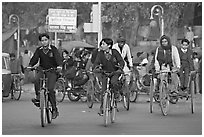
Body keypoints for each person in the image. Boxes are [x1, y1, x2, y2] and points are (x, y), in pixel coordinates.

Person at [28, 33, 63, 119]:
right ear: (40, 42)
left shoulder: (53, 49)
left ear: (48, 40)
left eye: (45, 40)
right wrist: (30, 65)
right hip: (42, 69)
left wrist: (59, 66)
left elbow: (58, 58)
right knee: (36, 80)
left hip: (52, 71)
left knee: (50, 89)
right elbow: (34, 59)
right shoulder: (39, 50)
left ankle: (54, 109)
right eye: (42, 40)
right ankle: (38, 98)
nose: (44, 42)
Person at [93, 38, 125, 115]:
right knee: (103, 91)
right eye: (101, 44)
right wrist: (97, 67)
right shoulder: (100, 53)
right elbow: (96, 62)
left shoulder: (115, 52)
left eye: (103, 44)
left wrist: (120, 67)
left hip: (115, 72)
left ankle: (116, 95)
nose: (102, 46)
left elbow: (121, 61)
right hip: (105, 73)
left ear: (109, 45)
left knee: (114, 83)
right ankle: (102, 108)